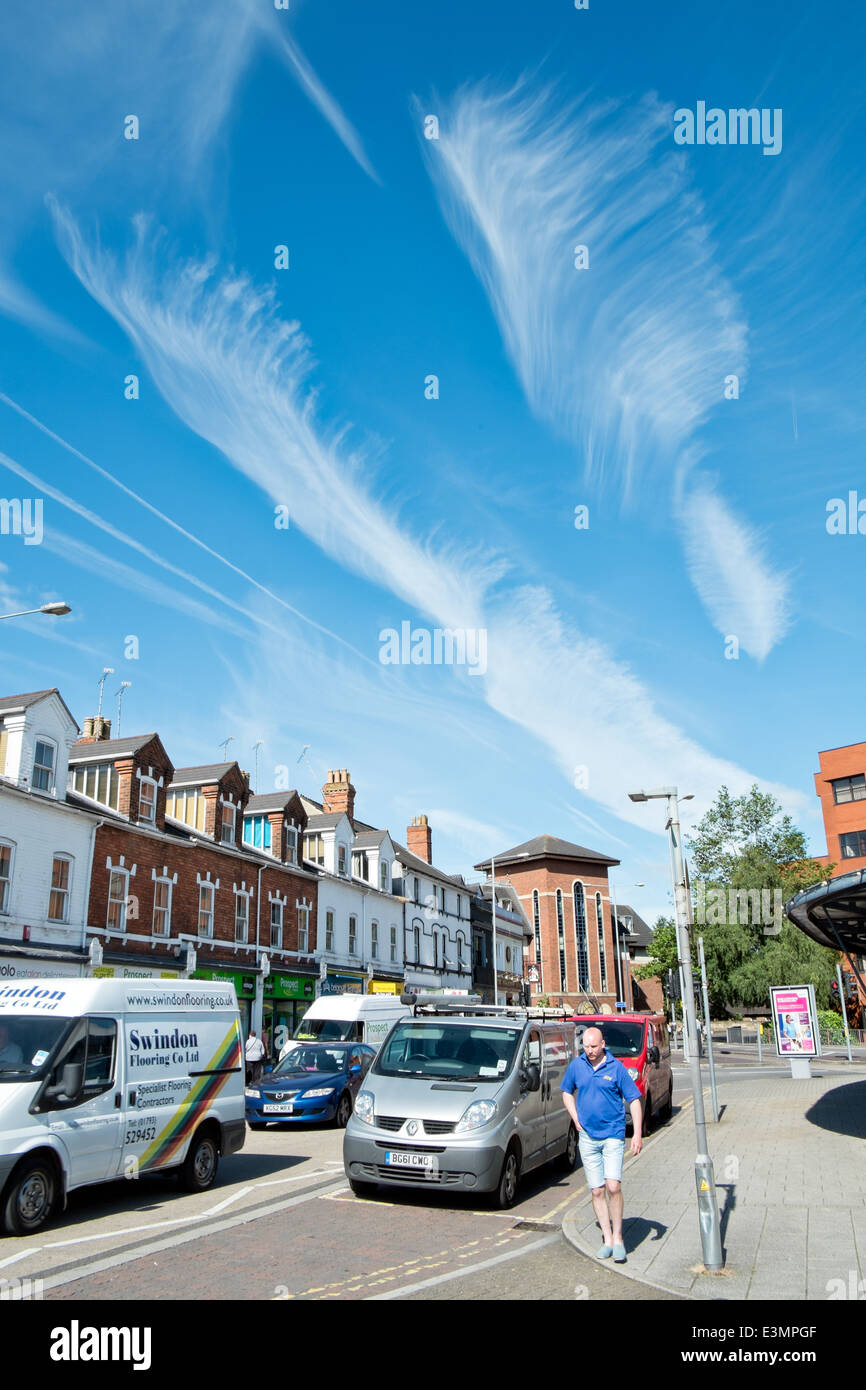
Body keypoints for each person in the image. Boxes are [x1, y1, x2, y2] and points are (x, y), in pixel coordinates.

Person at [560, 1025, 642, 1263]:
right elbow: (566, 1092)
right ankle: (606, 1239)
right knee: (596, 1190)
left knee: (613, 1187)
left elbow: (634, 1100)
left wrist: (636, 1134)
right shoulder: (578, 1065)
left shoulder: (616, 1068)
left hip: (613, 1135)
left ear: (603, 1044)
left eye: (594, 1046)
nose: (590, 1051)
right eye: (586, 1046)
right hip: (587, 1137)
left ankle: (618, 1238)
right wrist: (575, 1118)